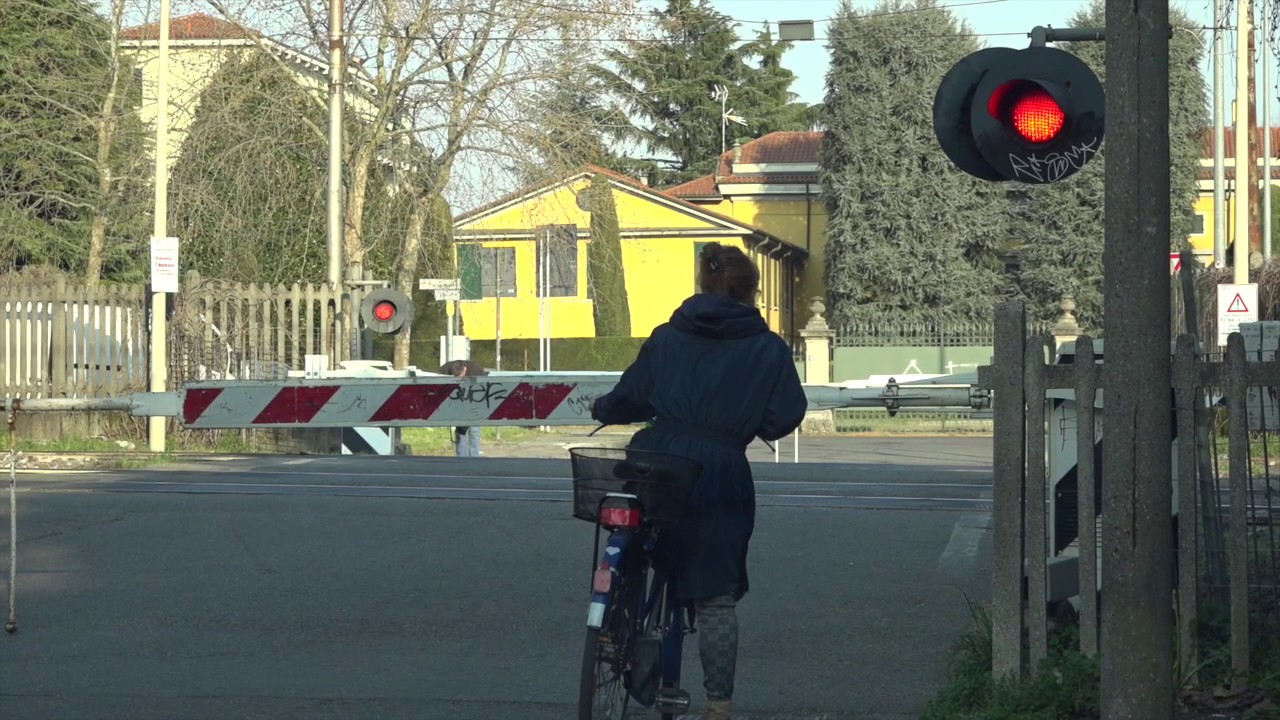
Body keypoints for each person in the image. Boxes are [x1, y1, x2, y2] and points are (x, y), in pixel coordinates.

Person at [588, 242, 808, 720]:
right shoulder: (767, 348)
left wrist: (604, 409)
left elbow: (631, 396)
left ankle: (621, 606)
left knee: (642, 535)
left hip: (655, 459)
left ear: (703, 286)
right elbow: (784, 415)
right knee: (715, 596)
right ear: (752, 292)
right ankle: (717, 705)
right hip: (718, 470)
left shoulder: (667, 336)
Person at [439, 359, 487, 457]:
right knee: (461, 429)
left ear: (465, 370)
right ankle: (461, 458)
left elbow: (483, 390)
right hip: (456, 401)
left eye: (460, 377)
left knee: (474, 429)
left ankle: (474, 457)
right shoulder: (444, 371)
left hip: (475, 400)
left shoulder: (476, 370)